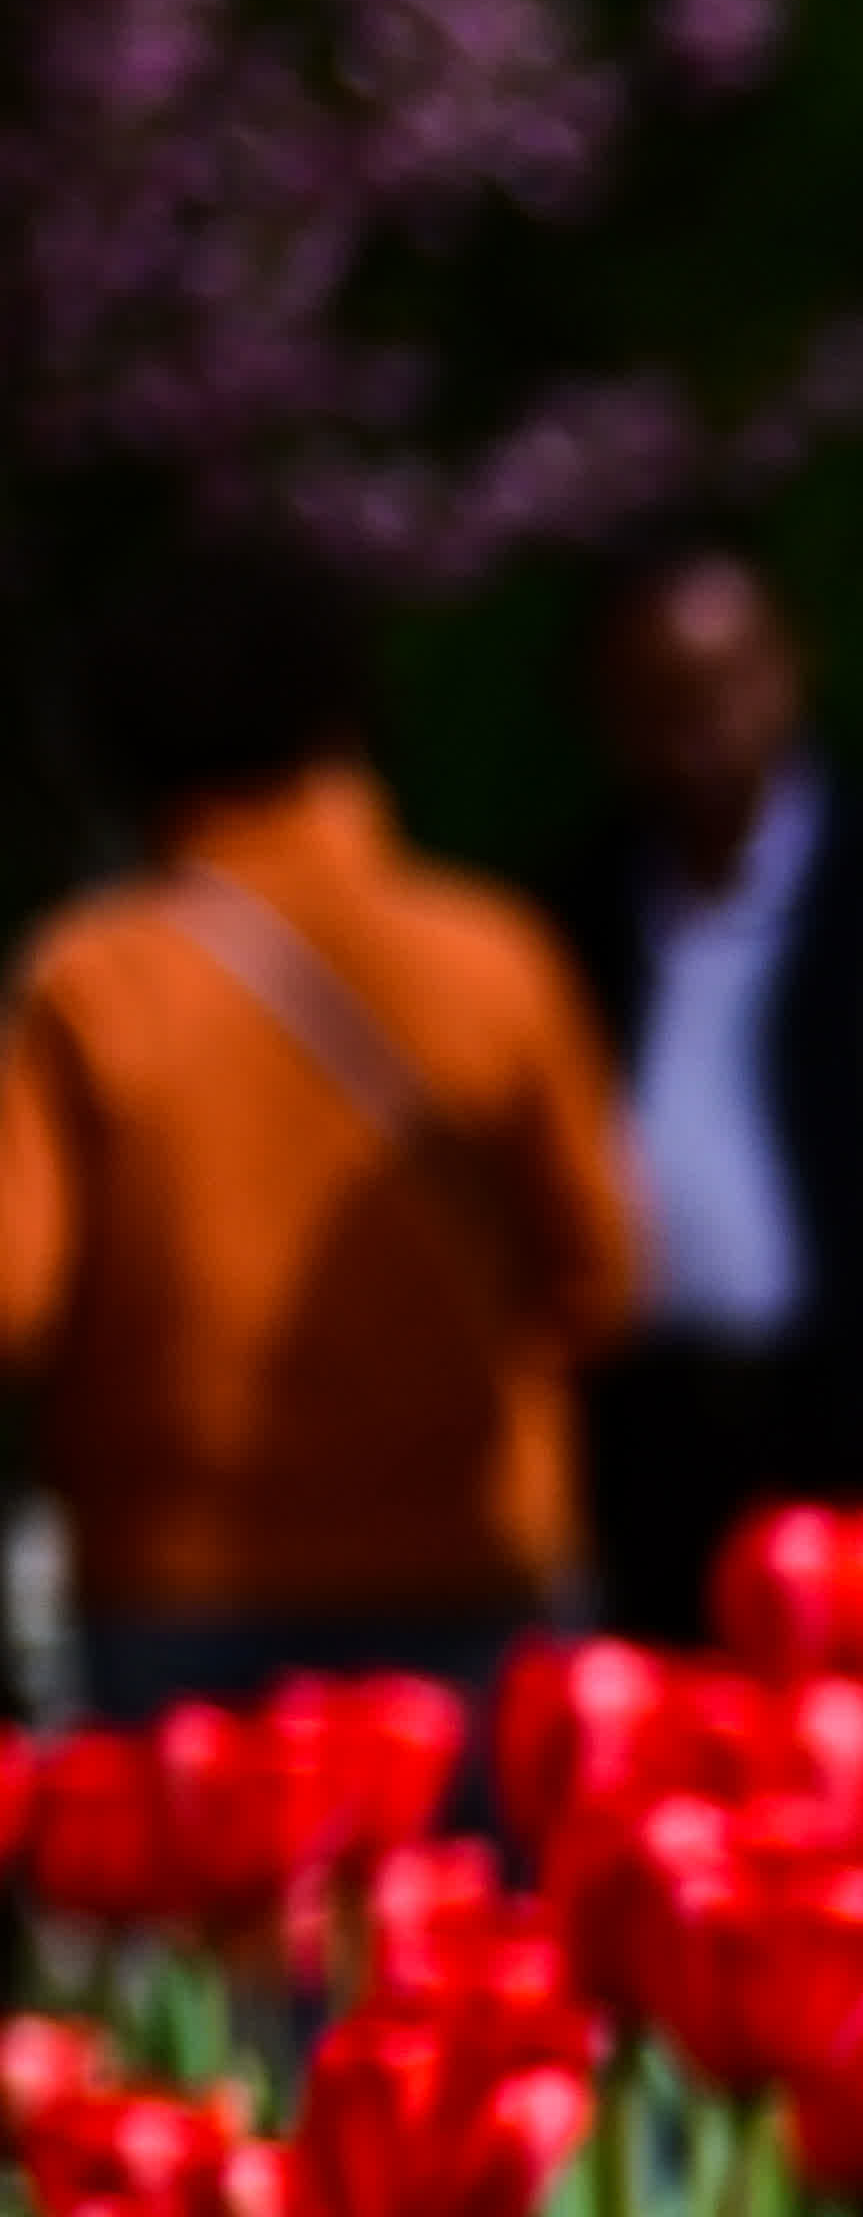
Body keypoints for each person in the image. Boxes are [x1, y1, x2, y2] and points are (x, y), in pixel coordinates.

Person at [0, 543, 639, 1714]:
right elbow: (601, 1274)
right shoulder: (493, 954)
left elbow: (16, 1295)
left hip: (179, 1573)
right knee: (467, 1896)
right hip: (471, 1551)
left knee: (211, 1900)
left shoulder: (92, 979)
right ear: (347, 722)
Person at [547, 536, 863, 1641]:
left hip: (846, 1419)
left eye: (727, 684)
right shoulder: (580, 905)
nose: (700, 730)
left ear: (793, 669)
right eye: (658, 698)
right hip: (655, 1436)